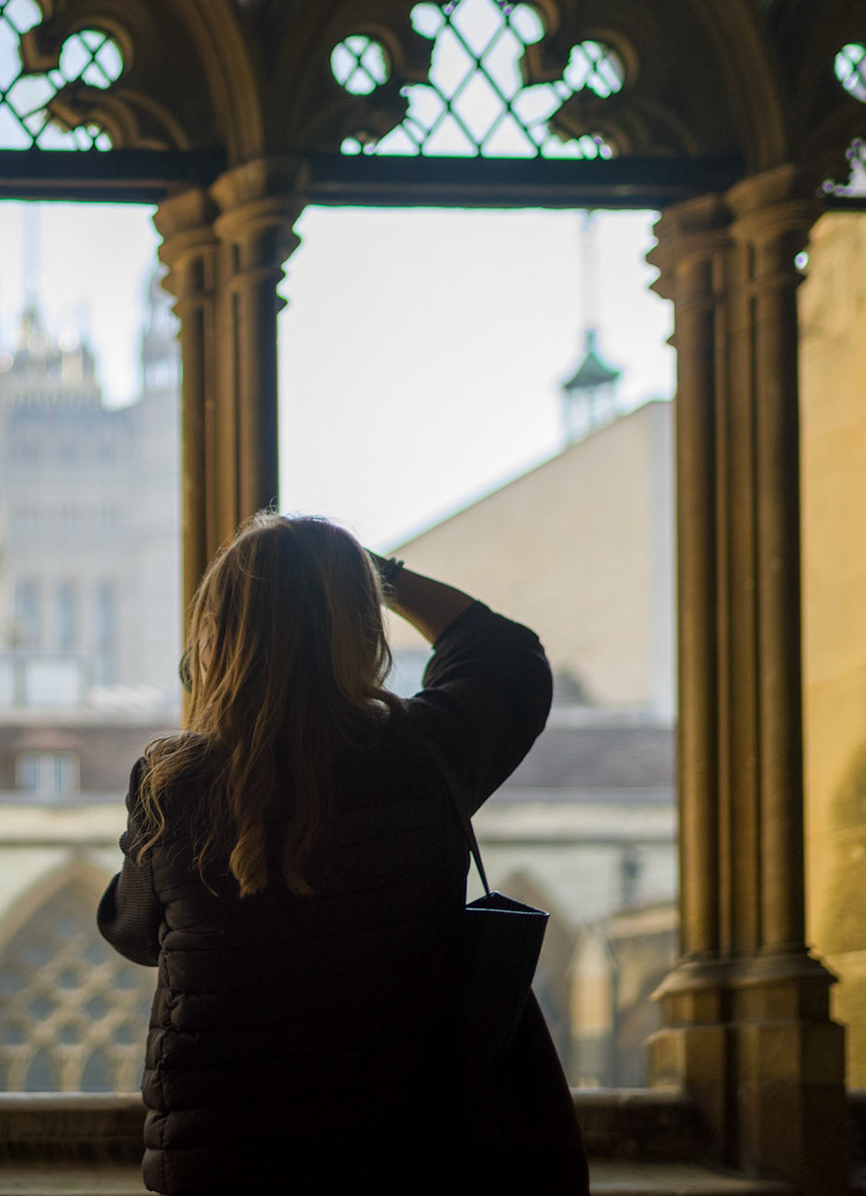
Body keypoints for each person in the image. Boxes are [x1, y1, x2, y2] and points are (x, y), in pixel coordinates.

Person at [98, 512, 586, 1194]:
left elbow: (134, 930)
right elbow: (504, 650)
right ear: (360, 627)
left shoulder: (172, 781)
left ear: (217, 634)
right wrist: (374, 573)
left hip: (222, 1164)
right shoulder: (426, 752)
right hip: (397, 1154)